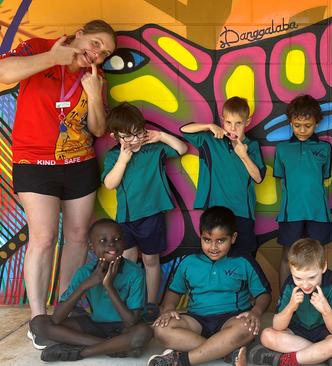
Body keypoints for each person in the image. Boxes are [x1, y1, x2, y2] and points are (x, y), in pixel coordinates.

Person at [0, 20, 116, 343]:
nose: (97, 55)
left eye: (104, 53)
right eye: (95, 44)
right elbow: (2, 73)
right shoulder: (38, 47)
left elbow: (96, 129)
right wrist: (54, 58)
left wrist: (94, 95)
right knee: (44, 236)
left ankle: (64, 311)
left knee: (78, 237)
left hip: (80, 164)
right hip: (34, 162)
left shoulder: (96, 76)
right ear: (79, 35)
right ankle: (38, 320)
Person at [148, 206, 271, 366]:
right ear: (201, 237)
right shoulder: (189, 262)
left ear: (233, 238)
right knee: (161, 329)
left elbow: (264, 294)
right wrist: (169, 308)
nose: (213, 247)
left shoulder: (243, 261)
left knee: (247, 328)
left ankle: (182, 360)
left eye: (221, 240)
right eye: (207, 240)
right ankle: (225, 351)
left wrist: (256, 312)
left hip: (232, 319)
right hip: (197, 320)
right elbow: (174, 291)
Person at [102, 102, 188, 322]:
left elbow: (182, 149)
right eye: (127, 136)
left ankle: (151, 304)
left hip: (152, 216)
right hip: (126, 219)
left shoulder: (154, 149)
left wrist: (161, 136)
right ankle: (131, 303)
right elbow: (110, 183)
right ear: (115, 137)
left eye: (138, 133)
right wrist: (123, 159)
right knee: (128, 261)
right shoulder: (114, 156)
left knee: (151, 261)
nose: (135, 140)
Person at [28, 219, 153, 362]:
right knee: (38, 323)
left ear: (123, 243)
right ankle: (115, 347)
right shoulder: (85, 272)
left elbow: (131, 322)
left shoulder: (135, 272)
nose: (111, 244)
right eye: (102, 240)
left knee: (144, 332)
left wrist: (109, 286)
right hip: (94, 325)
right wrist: (86, 285)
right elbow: (57, 318)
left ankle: (83, 352)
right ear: (91, 247)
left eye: (117, 239)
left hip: (123, 328)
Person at [180, 96, 265, 257]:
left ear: (247, 122)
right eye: (228, 123)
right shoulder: (210, 141)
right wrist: (209, 126)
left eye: (238, 123)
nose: (233, 128)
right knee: (214, 259)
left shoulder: (252, 146)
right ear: (222, 120)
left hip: (242, 213)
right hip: (214, 211)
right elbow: (184, 130)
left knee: (244, 258)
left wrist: (244, 156)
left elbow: (258, 178)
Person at [251, 238, 332, 366]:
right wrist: (291, 306)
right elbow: (278, 326)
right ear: (291, 270)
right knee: (267, 335)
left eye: (312, 277)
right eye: (298, 277)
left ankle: (285, 360)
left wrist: (325, 309)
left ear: (323, 267)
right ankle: (322, 355)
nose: (305, 284)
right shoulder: (290, 284)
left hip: (324, 333)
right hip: (297, 332)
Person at [274, 95, 332, 286]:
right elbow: (281, 176)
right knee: (288, 255)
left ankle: (319, 299)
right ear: (290, 123)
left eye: (307, 125)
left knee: (318, 257)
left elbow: (324, 176)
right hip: (290, 212)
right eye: (297, 125)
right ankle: (284, 298)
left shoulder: (325, 148)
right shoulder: (282, 149)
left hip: (318, 212)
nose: (302, 130)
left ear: (316, 124)